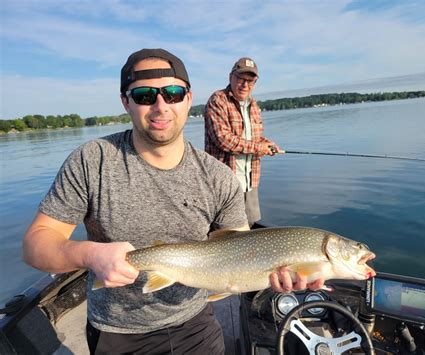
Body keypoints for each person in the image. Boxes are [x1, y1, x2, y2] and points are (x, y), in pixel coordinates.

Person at [22, 48, 323, 355]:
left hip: (195, 322)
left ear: (188, 99)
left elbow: (243, 252)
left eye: (173, 93)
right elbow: (35, 245)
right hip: (117, 331)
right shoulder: (92, 160)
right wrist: (89, 255)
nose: (160, 106)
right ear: (126, 102)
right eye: (144, 95)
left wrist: (280, 271)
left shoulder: (219, 177)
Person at [204, 57, 279, 226]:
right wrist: (258, 147)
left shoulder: (254, 105)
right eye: (240, 79)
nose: (245, 85)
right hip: (225, 183)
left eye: (250, 81)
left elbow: (254, 137)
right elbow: (224, 140)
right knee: (225, 231)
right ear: (231, 77)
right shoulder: (217, 101)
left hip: (250, 181)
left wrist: (267, 144)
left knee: (249, 225)